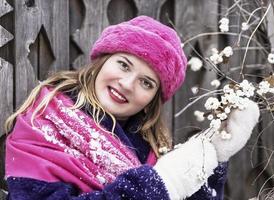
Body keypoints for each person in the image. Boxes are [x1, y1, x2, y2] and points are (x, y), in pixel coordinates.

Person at [4, 16, 259, 200]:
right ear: (102, 61)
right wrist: (159, 185)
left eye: (146, 83)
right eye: (124, 65)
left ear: (152, 100)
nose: (126, 84)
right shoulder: (44, 124)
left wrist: (212, 156)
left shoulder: (151, 150)